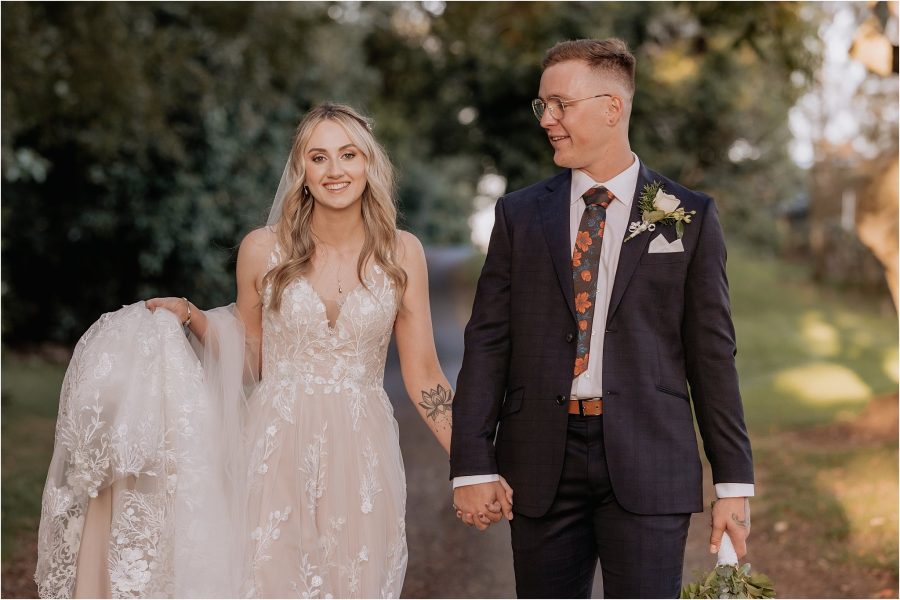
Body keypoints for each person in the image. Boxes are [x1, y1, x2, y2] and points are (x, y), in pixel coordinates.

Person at [35, 103, 510, 598]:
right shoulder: (263, 249)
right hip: (273, 446)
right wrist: (193, 317)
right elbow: (251, 358)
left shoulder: (401, 252)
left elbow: (426, 375)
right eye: (318, 157)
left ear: (369, 164)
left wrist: (474, 464)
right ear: (301, 171)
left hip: (362, 450)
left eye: (347, 154)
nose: (334, 170)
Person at [449, 38, 755, 598]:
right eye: (542, 106)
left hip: (649, 460)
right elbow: (488, 341)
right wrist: (472, 462)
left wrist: (733, 482)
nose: (548, 120)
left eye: (560, 104)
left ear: (612, 107)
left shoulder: (687, 215)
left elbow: (713, 354)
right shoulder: (519, 215)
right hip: (540, 459)